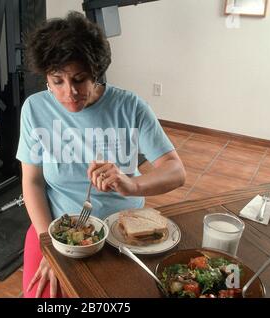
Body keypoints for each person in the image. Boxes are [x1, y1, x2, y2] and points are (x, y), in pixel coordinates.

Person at [16, 11, 186, 298]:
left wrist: (132, 184)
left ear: (95, 72)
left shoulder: (130, 107)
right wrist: (51, 243)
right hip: (57, 227)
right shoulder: (35, 109)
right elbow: (32, 181)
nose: (69, 92)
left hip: (123, 228)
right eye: (57, 81)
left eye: (79, 80)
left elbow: (175, 170)